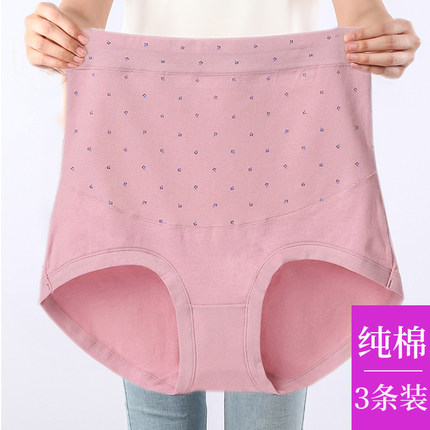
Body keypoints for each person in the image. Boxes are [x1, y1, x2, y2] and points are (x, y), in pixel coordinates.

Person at [24, 1, 420, 429]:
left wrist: (385, 43)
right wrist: (53, 37)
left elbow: (364, 19)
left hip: (290, 168)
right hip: (145, 162)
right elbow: (80, 18)